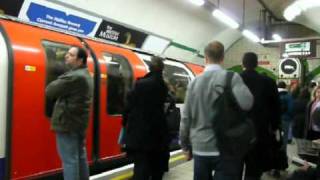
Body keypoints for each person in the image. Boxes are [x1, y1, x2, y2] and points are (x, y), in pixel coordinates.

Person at [179, 41, 253, 180]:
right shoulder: (232, 78)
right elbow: (248, 104)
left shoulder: (194, 83)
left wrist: (185, 146)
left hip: (200, 147)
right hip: (226, 146)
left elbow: (186, 118)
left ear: (205, 58)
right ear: (222, 58)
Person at [46, 47, 93, 180]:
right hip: (79, 123)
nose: (66, 56)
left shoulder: (74, 76)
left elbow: (50, 91)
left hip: (67, 123)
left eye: (71, 55)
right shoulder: (86, 74)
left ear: (80, 60)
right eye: (67, 53)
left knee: (69, 161)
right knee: (80, 157)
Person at [123, 56, 169, 180]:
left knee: (141, 168)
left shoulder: (141, 84)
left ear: (149, 67)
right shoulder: (164, 86)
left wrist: (125, 124)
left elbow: (129, 106)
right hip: (158, 134)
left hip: (141, 135)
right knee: (156, 169)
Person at [240, 52, 282, 180]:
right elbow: (276, 108)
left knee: (235, 167)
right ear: (257, 64)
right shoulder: (268, 82)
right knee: (254, 169)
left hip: (237, 133)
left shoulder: (235, 79)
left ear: (243, 63)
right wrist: (275, 128)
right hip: (260, 132)